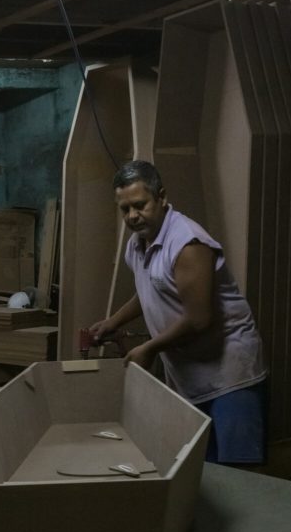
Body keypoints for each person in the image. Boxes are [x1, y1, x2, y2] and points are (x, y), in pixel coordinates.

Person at [89, 160, 268, 465]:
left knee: (240, 475)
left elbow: (199, 319)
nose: (133, 216)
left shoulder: (187, 243)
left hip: (229, 373)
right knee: (203, 470)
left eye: (140, 205)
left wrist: (149, 348)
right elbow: (150, 289)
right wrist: (112, 322)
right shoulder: (137, 243)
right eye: (125, 209)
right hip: (189, 374)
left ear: (161, 197)